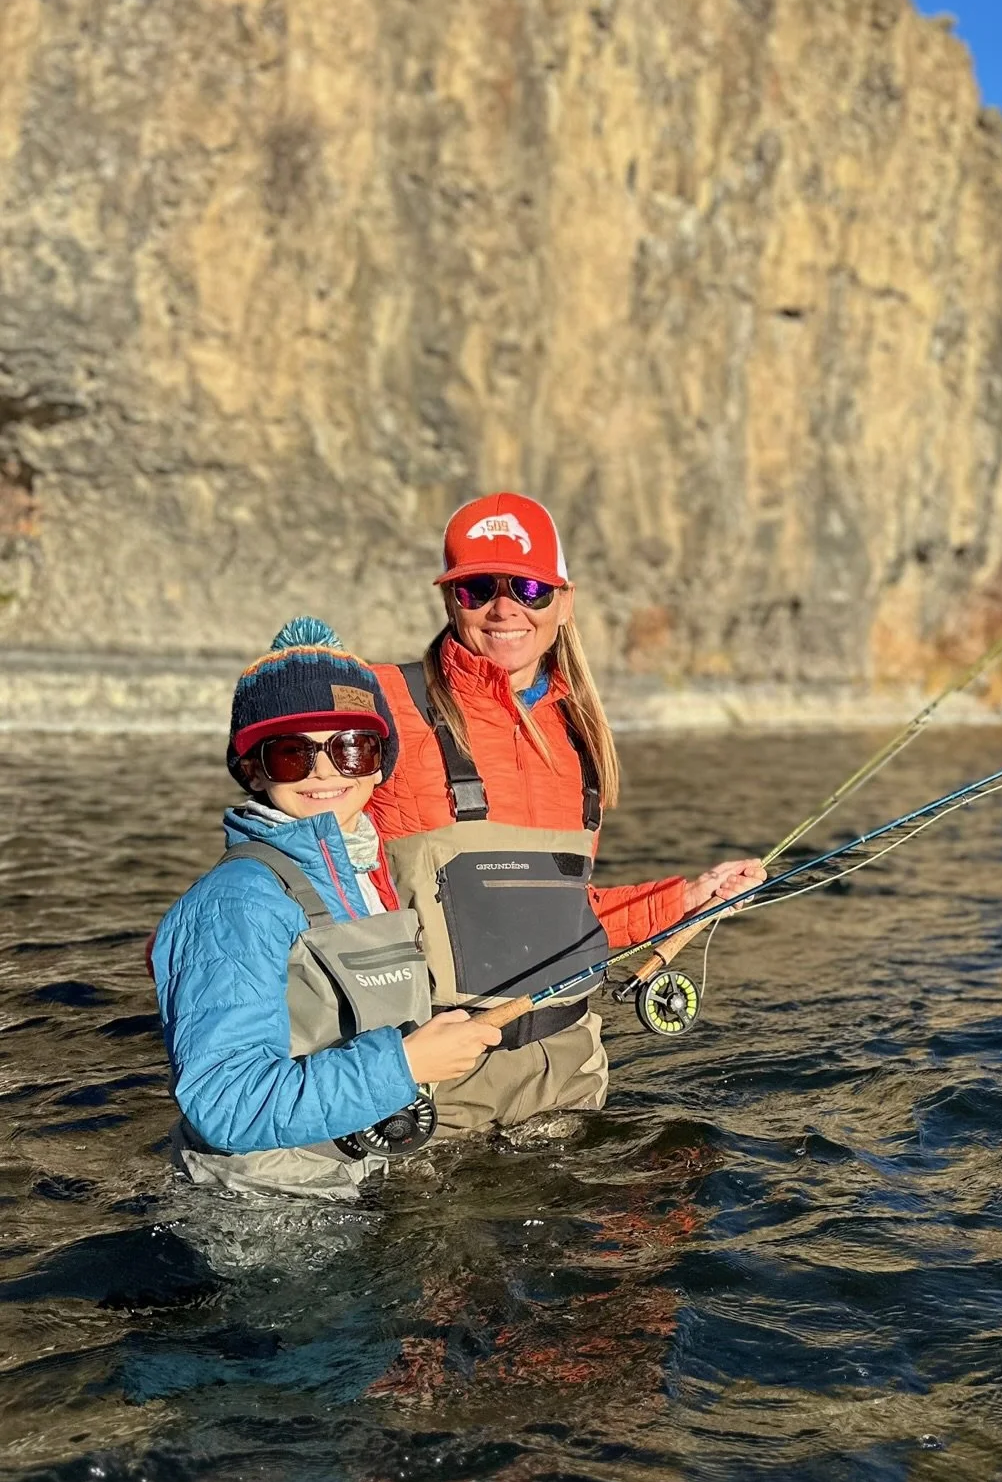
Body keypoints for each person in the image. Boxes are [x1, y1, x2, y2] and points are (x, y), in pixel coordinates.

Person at [370, 493, 764, 1136]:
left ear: (564, 602)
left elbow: (556, 918)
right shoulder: (384, 701)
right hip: (432, 1087)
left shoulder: (578, 737)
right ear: (450, 600)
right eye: (477, 588)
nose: (505, 609)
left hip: (570, 1077)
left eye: (529, 587)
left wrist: (687, 898)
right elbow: (283, 804)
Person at [152, 618, 503, 1199]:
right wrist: (405, 1066)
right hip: (265, 1217)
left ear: (379, 763)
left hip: (358, 1182)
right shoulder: (234, 902)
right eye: (292, 753)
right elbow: (223, 1102)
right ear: (252, 770)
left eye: (350, 747)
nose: (323, 770)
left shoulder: (370, 874)